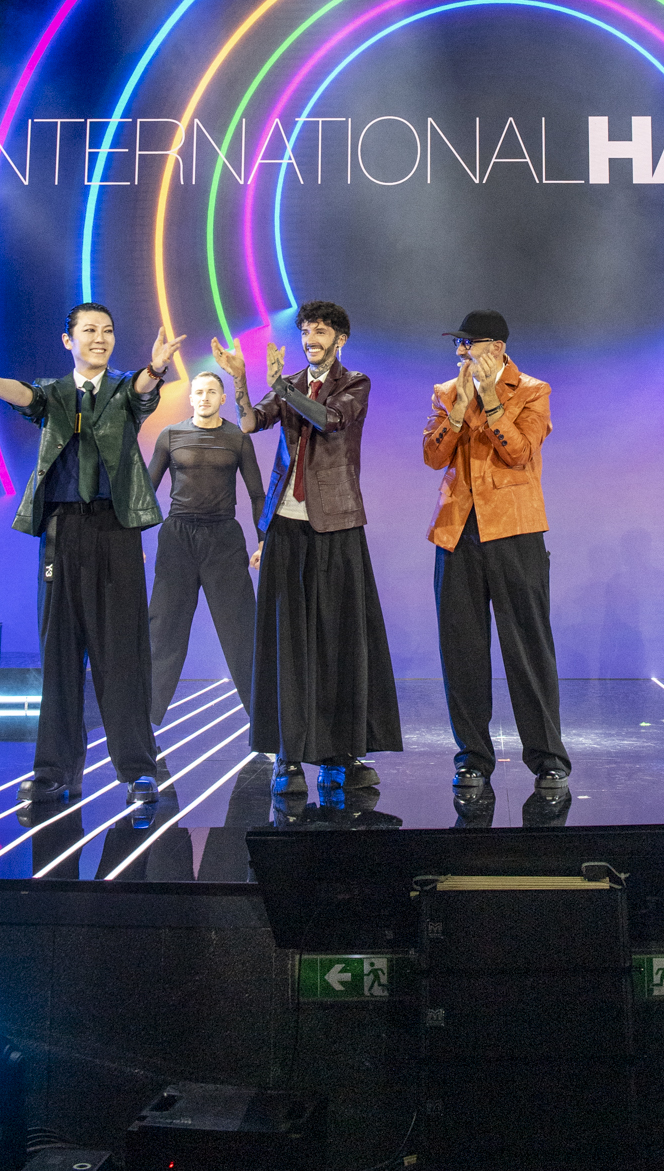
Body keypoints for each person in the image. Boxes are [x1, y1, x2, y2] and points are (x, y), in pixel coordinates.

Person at [0, 304, 184, 812]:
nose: (100, 338)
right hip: (62, 530)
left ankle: (138, 771)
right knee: (59, 655)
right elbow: (25, 396)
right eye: (89, 331)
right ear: (68, 340)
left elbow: (143, 389)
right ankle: (54, 773)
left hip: (115, 530)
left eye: (108, 331)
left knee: (122, 655)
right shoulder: (55, 393)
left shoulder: (122, 389)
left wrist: (156, 367)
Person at [212, 300, 401, 799]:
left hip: (336, 523)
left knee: (339, 639)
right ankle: (287, 754)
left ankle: (342, 752)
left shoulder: (354, 383)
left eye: (320, 331)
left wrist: (282, 388)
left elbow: (328, 420)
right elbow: (251, 423)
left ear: (340, 338)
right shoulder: (290, 382)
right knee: (286, 642)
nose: (311, 339)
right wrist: (240, 382)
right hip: (286, 525)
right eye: (305, 332)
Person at [423, 309, 571, 798]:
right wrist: (458, 407)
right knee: (462, 650)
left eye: (471, 344)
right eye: (459, 345)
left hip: (514, 530)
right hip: (457, 533)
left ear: (498, 348)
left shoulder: (532, 390)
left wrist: (488, 399)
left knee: (527, 646)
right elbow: (432, 456)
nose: (462, 352)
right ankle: (472, 757)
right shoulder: (447, 392)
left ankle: (548, 759)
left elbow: (519, 452)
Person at [147, 368, 265, 725]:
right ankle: (144, 728)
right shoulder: (170, 435)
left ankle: (265, 726)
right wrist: (129, 538)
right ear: (190, 397)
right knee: (163, 632)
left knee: (242, 633)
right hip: (178, 540)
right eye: (198, 392)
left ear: (222, 398)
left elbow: (257, 494)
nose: (204, 398)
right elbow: (146, 491)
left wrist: (264, 540)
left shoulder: (237, 438)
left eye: (211, 392)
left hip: (223, 540)